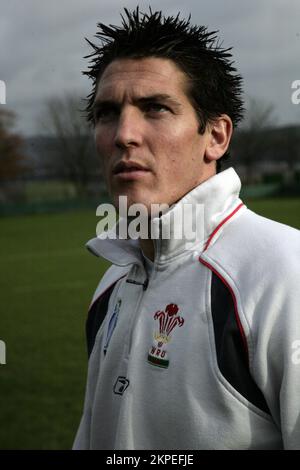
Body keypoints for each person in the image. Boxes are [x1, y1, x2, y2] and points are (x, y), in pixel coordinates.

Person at [73, 8, 300, 450]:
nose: (124, 134)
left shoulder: (284, 273)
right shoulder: (113, 281)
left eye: (155, 108)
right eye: (107, 113)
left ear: (215, 136)